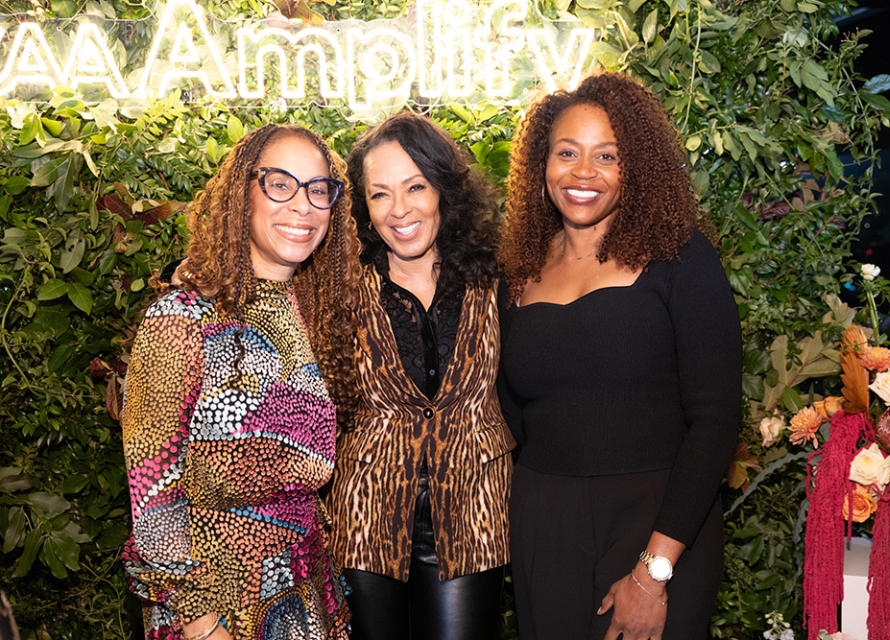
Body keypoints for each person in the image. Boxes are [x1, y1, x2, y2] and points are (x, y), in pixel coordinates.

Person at [497, 72, 742, 640]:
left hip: (659, 529)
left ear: (636, 167)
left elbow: (715, 421)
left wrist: (653, 574)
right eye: (567, 153)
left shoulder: (680, 259)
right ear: (542, 165)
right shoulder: (516, 273)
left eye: (607, 155)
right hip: (545, 528)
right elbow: (510, 412)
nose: (584, 173)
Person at [121, 124, 360, 640]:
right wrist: (201, 624)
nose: (302, 205)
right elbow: (152, 497)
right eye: (280, 183)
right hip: (210, 602)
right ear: (241, 194)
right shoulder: (181, 317)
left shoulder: (314, 315)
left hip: (304, 590)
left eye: (319, 189)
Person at [324, 111, 515, 640]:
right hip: (366, 516)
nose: (399, 209)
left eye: (415, 187)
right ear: (362, 205)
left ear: (444, 191)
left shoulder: (499, 275)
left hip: (473, 514)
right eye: (380, 193)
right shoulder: (337, 285)